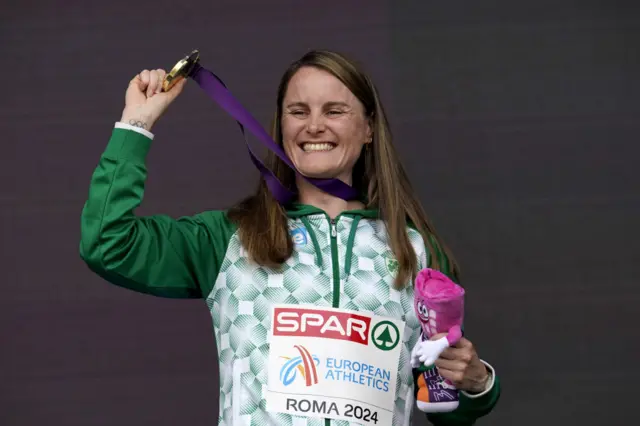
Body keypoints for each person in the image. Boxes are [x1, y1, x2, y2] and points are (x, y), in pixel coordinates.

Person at [80, 49, 500, 425]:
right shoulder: (230, 238)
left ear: (369, 128)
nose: (314, 126)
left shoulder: (415, 252)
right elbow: (108, 243)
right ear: (280, 126)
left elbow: (444, 403)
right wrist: (137, 123)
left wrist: (475, 380)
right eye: (298, 111)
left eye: (334, 111)